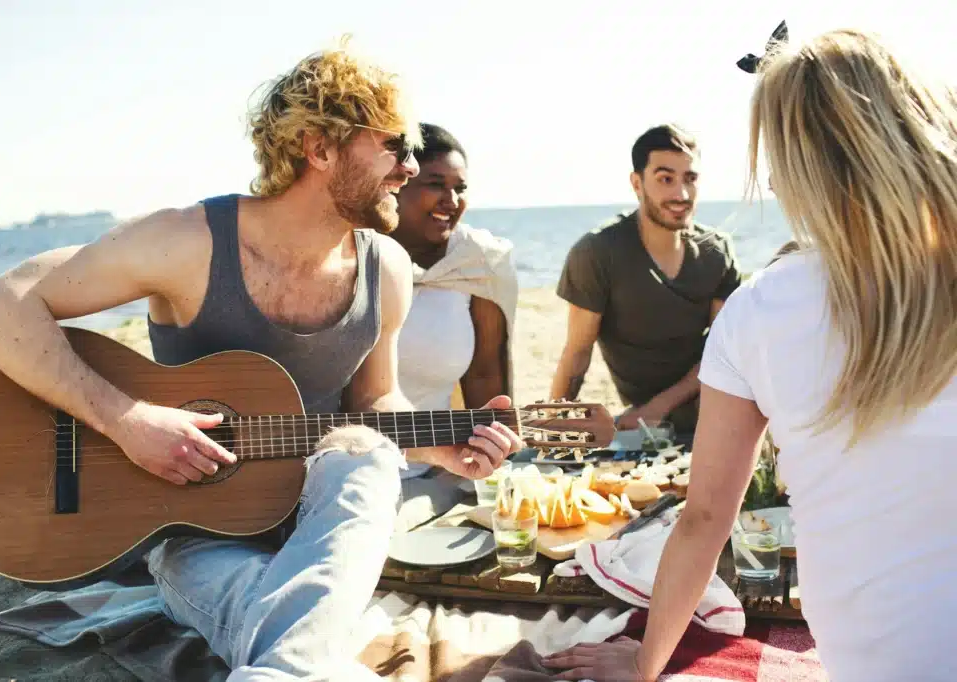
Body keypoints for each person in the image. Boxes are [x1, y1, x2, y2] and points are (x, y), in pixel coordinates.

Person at [0, 42, 523, 681]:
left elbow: (373, 404)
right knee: (299, 628)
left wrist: (442, 447)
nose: (409, 168)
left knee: (366, 456)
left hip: (318, 529)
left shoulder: (385, 268)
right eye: (395, 146)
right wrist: (127, 420)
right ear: (320, 148)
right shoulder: (187, 241)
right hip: (195, 537)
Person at [544, 28, 957, 682]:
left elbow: (707, 518)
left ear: (793, 165)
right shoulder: (613, 257)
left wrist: (647, 665)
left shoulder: (765, 307)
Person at [549, 124, 742, 436]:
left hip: (713, 399)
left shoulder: (716, 251)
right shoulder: (598, 252)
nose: (681, 194)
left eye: (690, 179)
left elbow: (724, 352)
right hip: (644, 419)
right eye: (665, 179)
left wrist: (657, 408)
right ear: (636, 183)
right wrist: (552, 427)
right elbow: (577, 352)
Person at [390, 122, 518, 477]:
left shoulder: (477, 262)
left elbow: (484, 375)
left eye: (460, 188)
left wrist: (489, 463)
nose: (452, 200)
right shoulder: (346, 258)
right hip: (337, 471)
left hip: (436, 475)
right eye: (435, 184)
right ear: (396, 184)